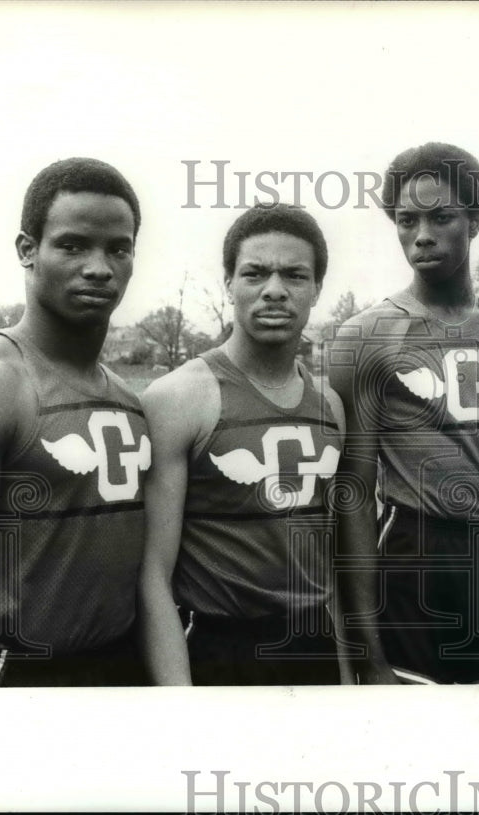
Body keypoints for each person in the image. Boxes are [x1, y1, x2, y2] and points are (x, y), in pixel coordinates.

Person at [327, 143, 479, 685]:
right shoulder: (366, 335)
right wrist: (368, 654)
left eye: (441, 217)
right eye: (407, 220)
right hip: (413, 554)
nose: (422, 234)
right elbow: (353, 494)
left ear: (475, 220)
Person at [0, 157, 148, 687]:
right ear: (27, 250)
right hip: (30, 677)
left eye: (118, 248)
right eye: (72, 245)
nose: (98, 267)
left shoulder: (130, 399)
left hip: (126, 668)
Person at [139, 203, 347, 685]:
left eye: (295, 275)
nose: (274, 290)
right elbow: (152, 575)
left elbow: (325, 566)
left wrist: (343, 677)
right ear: (228, 283)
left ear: (316, 288)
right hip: (220, 647)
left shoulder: (330, 407)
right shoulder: (179, 398)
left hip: (312, 646)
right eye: (255, 273)